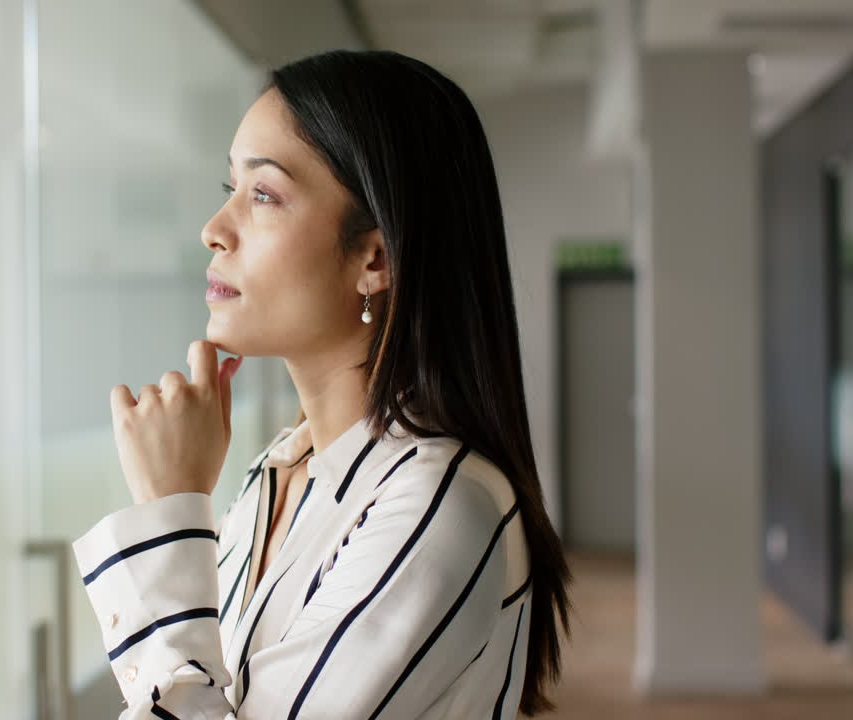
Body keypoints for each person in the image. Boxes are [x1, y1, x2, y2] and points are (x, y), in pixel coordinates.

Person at [72, 48, 573, 719]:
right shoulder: (277, 475)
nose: (214, 230)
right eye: (231, 191)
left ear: (376, 257)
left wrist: (170, 511)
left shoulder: (435, 506)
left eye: (264, 195)